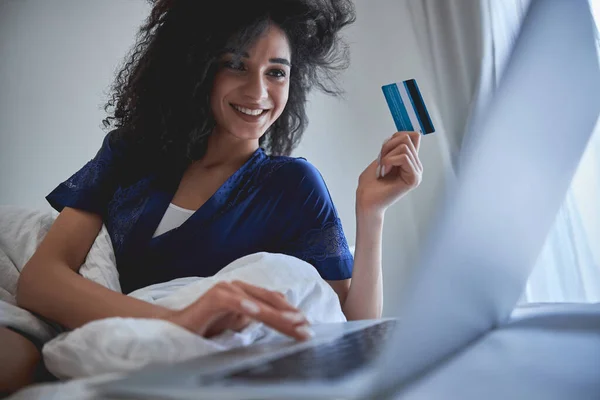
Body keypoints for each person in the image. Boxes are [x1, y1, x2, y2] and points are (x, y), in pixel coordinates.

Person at [1, 0, 423, 394]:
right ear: (198, 67)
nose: (258, 92)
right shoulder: (132, 151)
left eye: (276, 72)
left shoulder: (292, 186)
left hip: (141, 354)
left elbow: (351, 325)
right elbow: (40, 282)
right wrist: (176, 323)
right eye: (235, 65)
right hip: (66, 319)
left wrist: (371, 213)